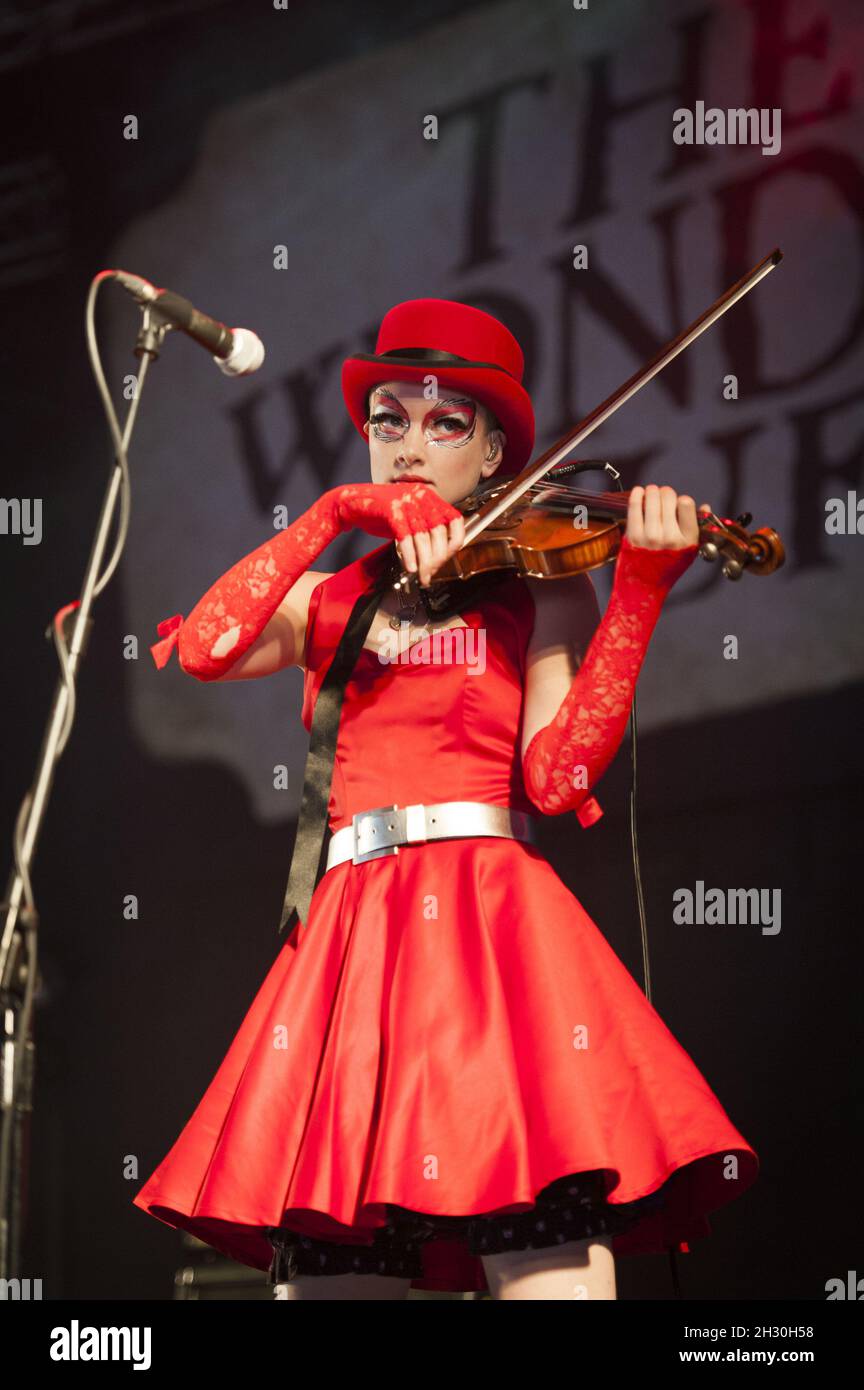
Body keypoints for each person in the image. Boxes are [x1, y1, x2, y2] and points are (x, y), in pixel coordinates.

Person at [133, 298, 759, 1301]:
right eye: (389, 420)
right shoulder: (329, 596)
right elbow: (205, 649)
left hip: (489, 933)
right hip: (348, 943)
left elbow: (556, 779)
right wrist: (334, 515)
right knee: (342, 1258)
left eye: (443, 423)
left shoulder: (538, 582)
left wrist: (638, 592)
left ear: (495, 450)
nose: (409, 448)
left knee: (539, 1234)